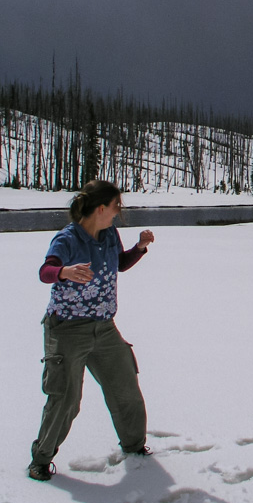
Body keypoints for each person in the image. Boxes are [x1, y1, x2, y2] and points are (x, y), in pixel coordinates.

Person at [28, 180, 155, 482]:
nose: (118, 212)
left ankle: (135, 448)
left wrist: (139, 248)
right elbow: (45, 271)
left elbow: (119, 265)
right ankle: (41, 461)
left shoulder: (110, 233)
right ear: (100, 209)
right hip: (67, 331)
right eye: (115, 207)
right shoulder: (67, 239)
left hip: (104, 327)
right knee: (66, 399)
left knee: (125, 387)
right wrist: (63, 272)